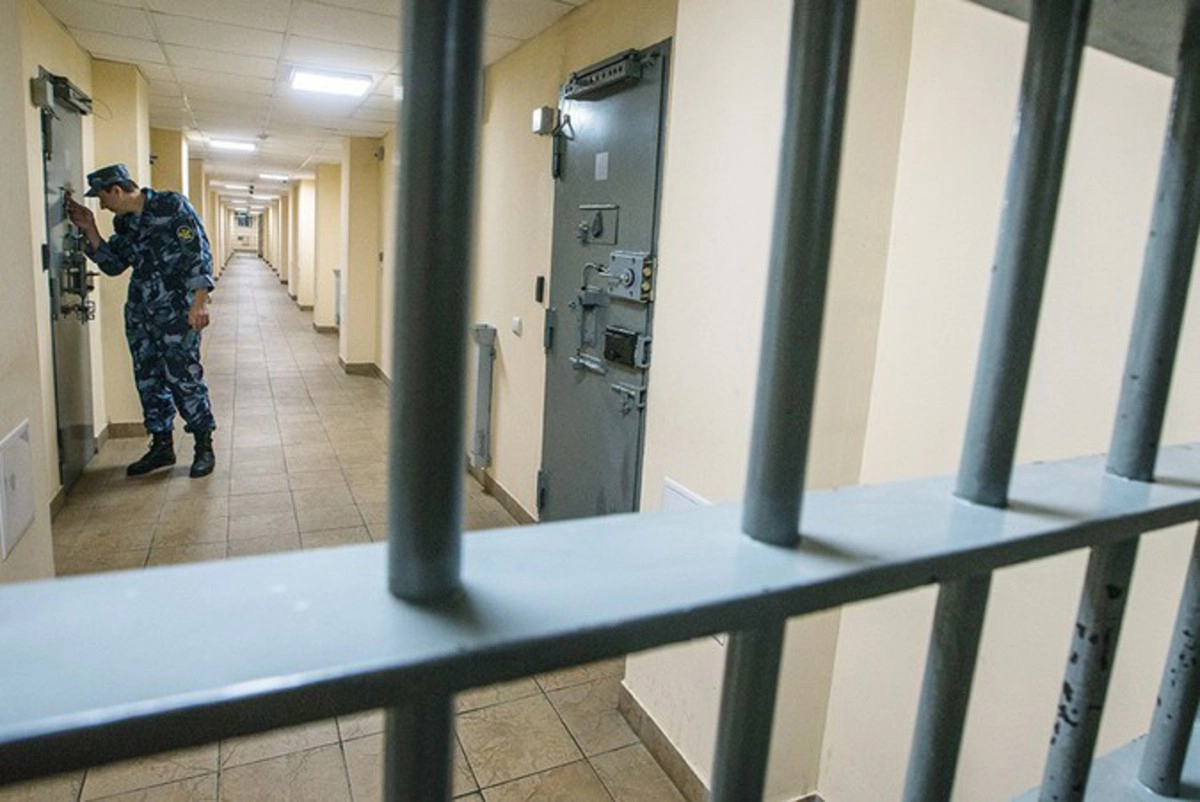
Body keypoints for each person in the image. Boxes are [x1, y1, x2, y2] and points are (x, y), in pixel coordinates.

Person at [66, 163, 217, 478]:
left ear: (117, 190)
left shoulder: (171, 205)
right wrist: (90, 229)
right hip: (141, 313)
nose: (103, 206)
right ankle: (161, 445)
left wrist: (199, 302)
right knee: (148, 378)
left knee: (183, 376)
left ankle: (203, 445)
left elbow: (198, 253)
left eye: (103, 198)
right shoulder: (125, 223)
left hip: (177, 312)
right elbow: (114, 264)